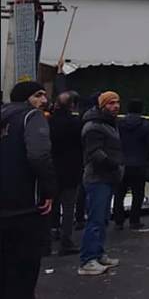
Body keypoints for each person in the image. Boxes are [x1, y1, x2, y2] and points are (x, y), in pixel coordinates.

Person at [0, 81, 56, 297]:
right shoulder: (32, 117)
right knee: (24, 272)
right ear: (26, 98)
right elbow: (39, 155)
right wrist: (49, 190)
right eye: (38, 95)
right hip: (25, 206)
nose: (44, 100)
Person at [80, 91, 123, 276]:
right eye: (111, 103)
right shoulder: (94, 126)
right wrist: (113, 165)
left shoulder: (109, 124)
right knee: (95, 220)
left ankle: (98, 253)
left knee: (103, 218)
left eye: (117, 102)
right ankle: (87, 260)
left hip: (107, 178)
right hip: (98, 178)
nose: (116, 106)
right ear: (102, 105)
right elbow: (95, 152)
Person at [49, 91, 83, 255]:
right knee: (69, 208)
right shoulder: (75, 123)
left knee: (51, 205)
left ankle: (50, 234)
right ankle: (66, 241)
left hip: (52, 169)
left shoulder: (49, 121)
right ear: (72, 105)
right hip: (71, 170)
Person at [113, 99, 149, 229]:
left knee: (119, 194)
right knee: (138, 194)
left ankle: (119, 221)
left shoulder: (119, 124)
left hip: (122, 163)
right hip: (139, 163)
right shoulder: (146, 125)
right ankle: (134, 220)